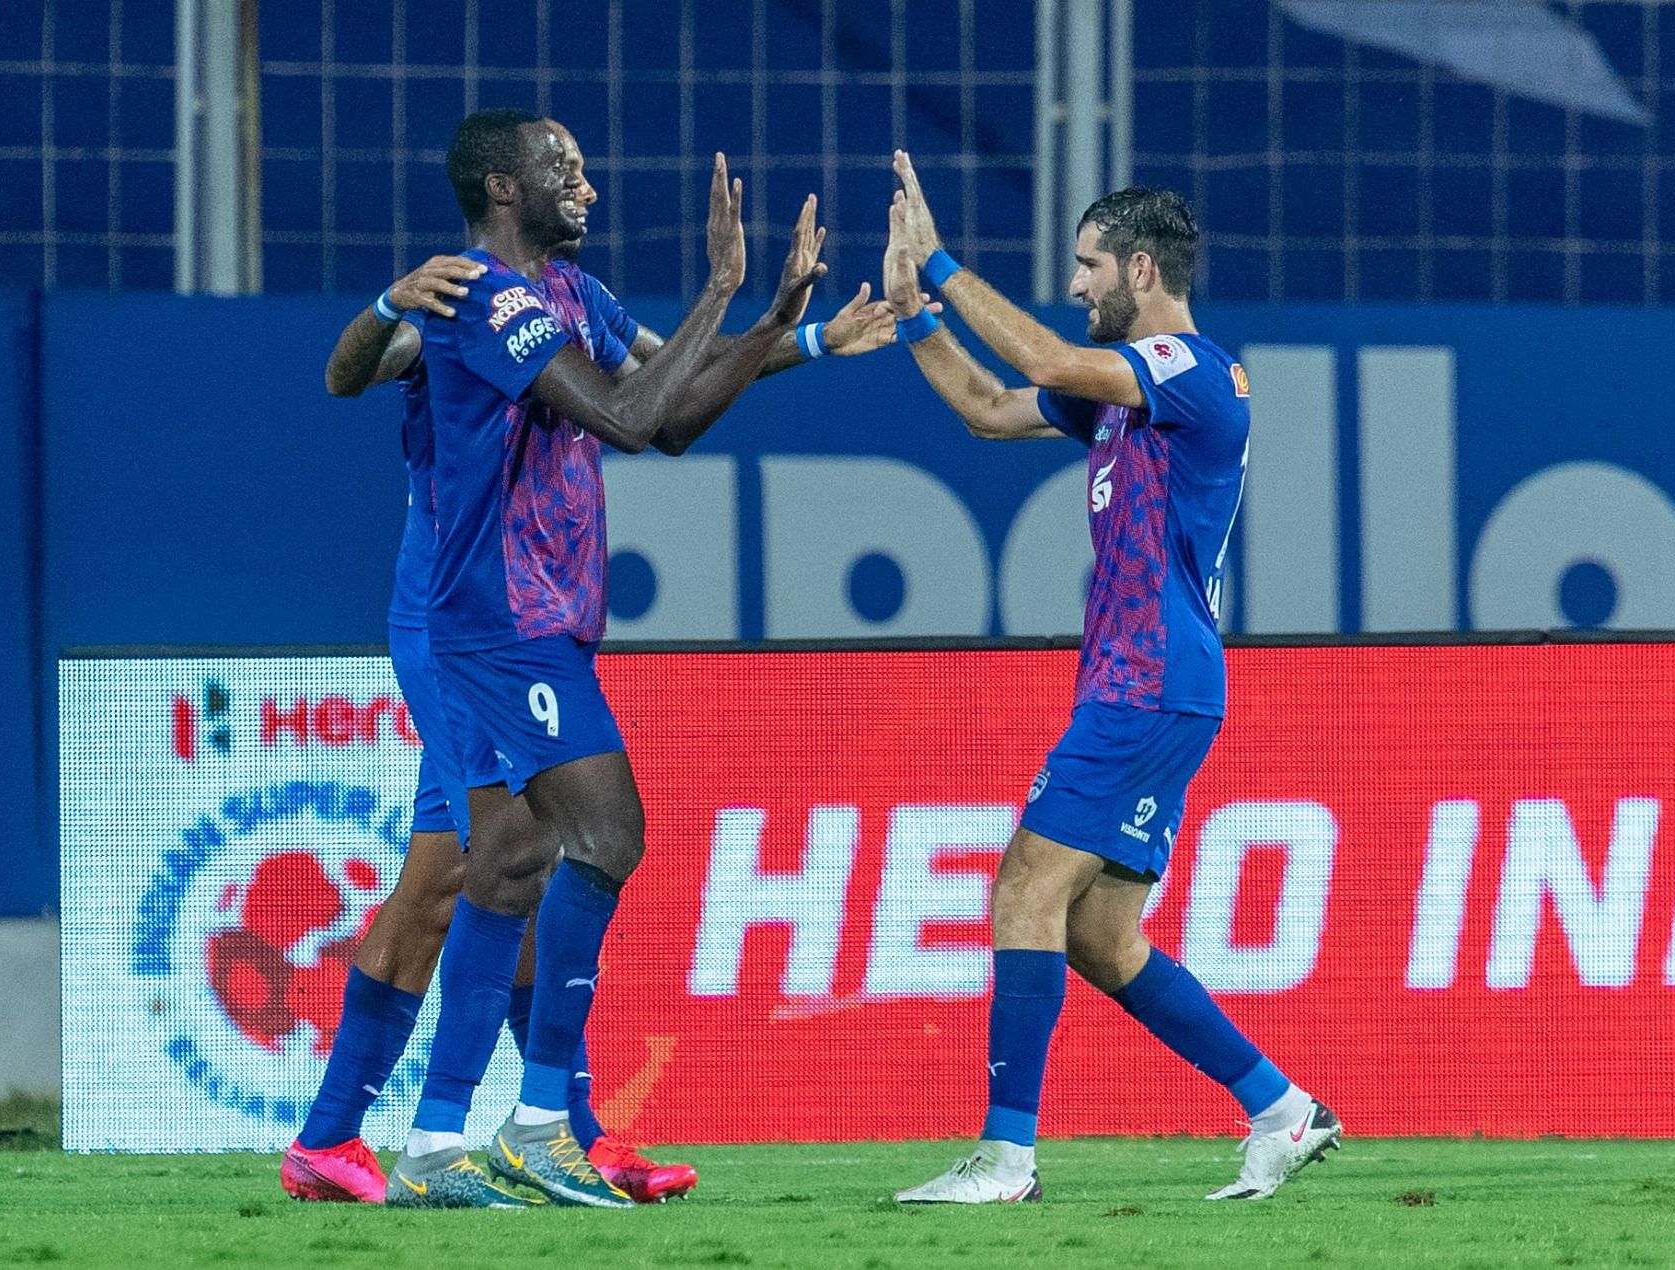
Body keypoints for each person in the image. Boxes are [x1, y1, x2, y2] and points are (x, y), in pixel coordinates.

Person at [381, 107, 838, 1209]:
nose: (587, 184)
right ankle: (541, 1122)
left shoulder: (571, 298)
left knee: (510, 866)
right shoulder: (489, 298)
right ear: (502, 185)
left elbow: (675, 421)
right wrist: (722, 289)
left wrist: (779, 313)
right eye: (563, 169)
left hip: (524, 619)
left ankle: (434, 1143)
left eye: (587, 166)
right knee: (610, 833)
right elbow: (630, 416)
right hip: (503, 619)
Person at [880, 151, 1340, 1204]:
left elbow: (1040, 353)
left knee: (1024, 888)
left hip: (1150, 679)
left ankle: (1006, 1157)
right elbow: (990, 407)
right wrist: (914, 314)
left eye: (1088, 266)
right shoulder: (1130, 398)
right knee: (1095, 931)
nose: (1075, 285)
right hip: (1150, 684)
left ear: (1141, 268)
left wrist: (942, 261)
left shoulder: (1191, 368)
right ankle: (1282, 1108)